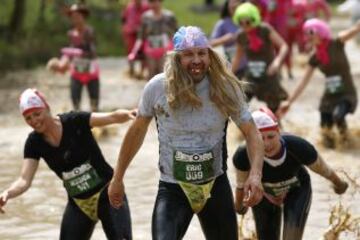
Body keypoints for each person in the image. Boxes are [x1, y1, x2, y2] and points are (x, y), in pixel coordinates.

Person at [108, 26, 264, 240]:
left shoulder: (225, 87)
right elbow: (136, 132)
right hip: (173, 188)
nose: (196, 60)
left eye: (201, 53)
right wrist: (118, 178)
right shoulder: (157, 87)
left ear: (209, 55)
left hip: (214, 186)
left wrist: (255, 175)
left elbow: (252, 133)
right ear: (176, 59)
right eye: (189, 55)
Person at [0, 88, 135, 240]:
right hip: (79, 204)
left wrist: (132, 114)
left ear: (47, 108)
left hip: (109, 194)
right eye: (28, 118)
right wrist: (7, 193)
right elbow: (24, 180)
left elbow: (111, 117)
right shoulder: (34, 143)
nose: (34, 121)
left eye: (37, 114)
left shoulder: (74, 120)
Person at [233, 108, 348, 240]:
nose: (266, 144)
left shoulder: (299, 147)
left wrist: (339, 184)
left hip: (297, 190)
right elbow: (240, 186)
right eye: (259, 138)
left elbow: (326, 171)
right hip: (264, 194)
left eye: (271, 136)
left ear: (279, 132)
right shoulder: (242, 156)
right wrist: (239, 207)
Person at [277, 19, 360, 148]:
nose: (307, 36)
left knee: (338, 116)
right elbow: (303, 81)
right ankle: (335, 153)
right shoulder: (314, 56)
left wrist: (357, 27)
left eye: (311, 31)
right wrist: (290, 101)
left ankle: (347, 143)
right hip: (329, 96)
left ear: (320, 31)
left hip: (346, 93)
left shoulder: (336, 43)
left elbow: (352, 32)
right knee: (325, 132)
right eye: (305, 33)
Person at [231, 2, 289, 114]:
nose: (244, 25)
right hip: (251, 76)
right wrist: (228, 76)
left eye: (247, 22)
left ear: (254, 18)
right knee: (241, 101)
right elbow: (237, 58)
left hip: (269, 75)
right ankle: (243, 128)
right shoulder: (241, 36)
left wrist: (277, 62)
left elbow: (284, 46)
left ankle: (275, 127)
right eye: (240, 22)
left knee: (274, 108)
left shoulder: (265, 30)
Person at [47, 4, 100, 112]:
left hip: (91, 71)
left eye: (77, 16)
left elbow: (92, 52)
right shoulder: (71, 34)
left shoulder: (89, 31)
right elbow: (68, 53)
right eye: (73, 17)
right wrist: (61, 64)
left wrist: (78, 53)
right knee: (75, 102)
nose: (75, 19)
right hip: (76, 72)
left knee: (94, 103)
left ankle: (96, 125)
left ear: (83, 16)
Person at [128, 0, 178, 80]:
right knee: (152, 76)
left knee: (164, 75)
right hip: (150, 50)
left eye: (155, 1)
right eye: (151, 2)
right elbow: (140, 36)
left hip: (165, 50)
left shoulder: (169, 17)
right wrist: (134, 52)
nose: (154, 4)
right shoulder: (145, 17)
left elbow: (176, 33)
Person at [210, 0, 247, 79]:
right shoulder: (222, 23)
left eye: (237, 2)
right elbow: (210, 43)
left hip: (248, 65)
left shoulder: (248, 22)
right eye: (232, 2)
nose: (235, 4)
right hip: (231, 65)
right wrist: (224, 39)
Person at [121, 0, 149, 79]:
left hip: (142, 33)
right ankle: (131, 70)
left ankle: (142, 71)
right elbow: (124, 19)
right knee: (130, 51)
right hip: (131, 33)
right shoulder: (129, 7)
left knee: (144, 52)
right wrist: (125, 30)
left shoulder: (146, 6)